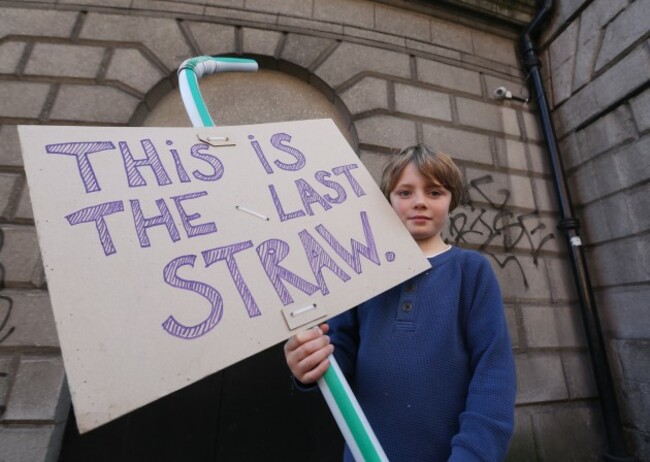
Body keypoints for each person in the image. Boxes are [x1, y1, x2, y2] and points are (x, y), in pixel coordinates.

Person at [284, 144, 516, 461]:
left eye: (435, 192)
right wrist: (309, 363)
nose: (419, 202)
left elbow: (493, 375)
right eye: (405, 192)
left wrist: (473, 455)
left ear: (452, 200)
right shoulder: (360, 272)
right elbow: (338, 357)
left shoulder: (471, 271)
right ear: (388, 201)